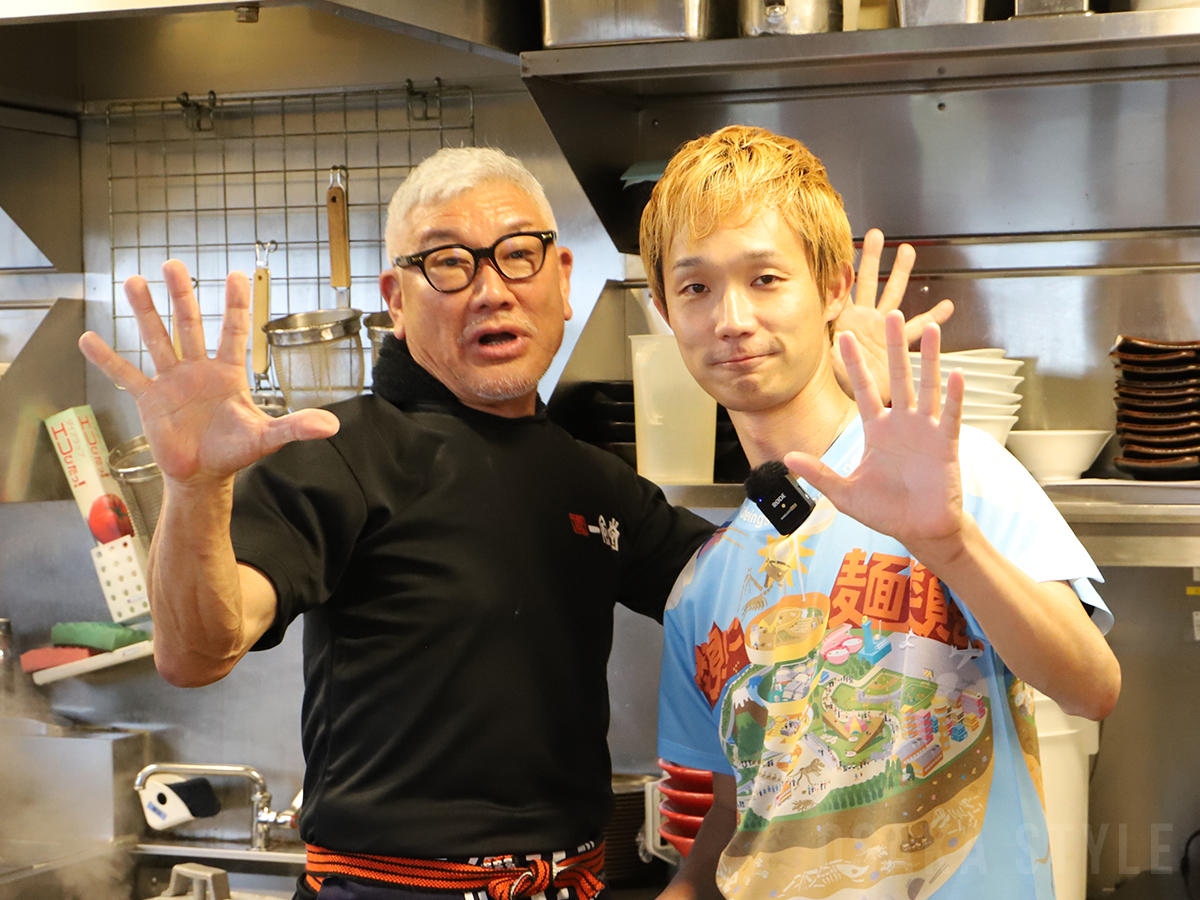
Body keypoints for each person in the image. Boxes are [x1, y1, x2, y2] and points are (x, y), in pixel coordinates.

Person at [77, 146, 949, 900]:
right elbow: (194, 653)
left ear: (563, 282)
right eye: (449, 264)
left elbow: (769, 577)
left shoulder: (593, 481)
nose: (491, 289)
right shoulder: (335, 452)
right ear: (397, 295)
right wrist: (193, 489)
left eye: (518, 256)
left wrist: (839, 410)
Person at [641, 126, 1121, 900]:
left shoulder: (953, 474)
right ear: (664, 309)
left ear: (831, 289)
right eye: (695, 287)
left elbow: (1091, 689)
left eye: (766, 278)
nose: (731, 319)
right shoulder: (702, 587)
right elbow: (742, 818)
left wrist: (950, 542)